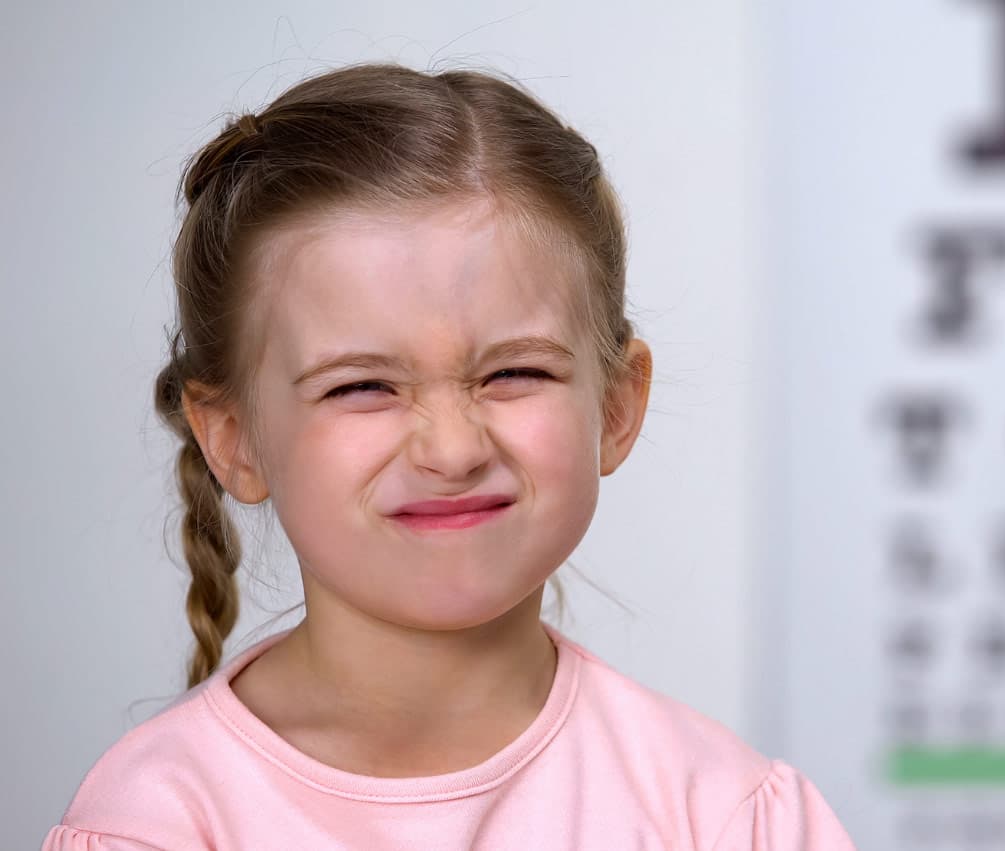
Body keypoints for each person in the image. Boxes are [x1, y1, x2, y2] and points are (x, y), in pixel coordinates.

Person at [42, 62, 857, 850]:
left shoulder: (725, 817)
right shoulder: (155, 822)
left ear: (615, 405)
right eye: (362, 386)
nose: (453, 447)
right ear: (234, 439)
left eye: (514, 373)